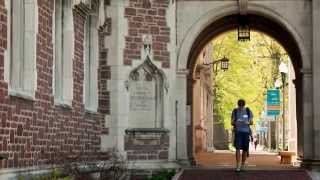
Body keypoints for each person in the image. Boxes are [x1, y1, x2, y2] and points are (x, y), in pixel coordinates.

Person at [231, 99, 253, 172]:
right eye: (239, 105)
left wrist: (248, 122)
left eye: (242, 106)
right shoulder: (235, 111)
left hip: (246, 132)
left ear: (244, 105)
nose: (240, 107)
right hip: (238, 132)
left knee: (245, 149)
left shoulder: (248, 111)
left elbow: (251, 121)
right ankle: (238, 165)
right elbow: (232, 122)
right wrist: (235, 122)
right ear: (238, 105)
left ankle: (243, 165)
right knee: (237, 148)